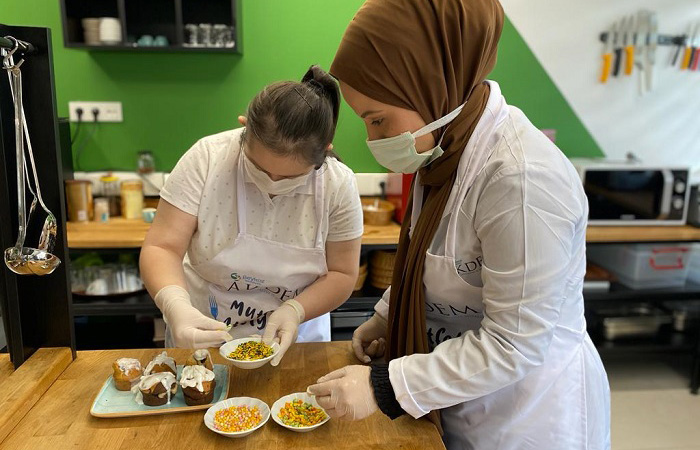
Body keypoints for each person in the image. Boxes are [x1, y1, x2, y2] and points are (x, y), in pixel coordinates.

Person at [306, 1, 611, 449]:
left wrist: (382, 386)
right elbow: (437, 258)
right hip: (464, 400)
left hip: (525, 416)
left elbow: (515, 345)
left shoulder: (522, 181)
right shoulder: (446, 153)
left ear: (430, 85)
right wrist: (388, 315)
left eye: (377, 119)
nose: (374, 140)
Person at [140, 66, 363, 366]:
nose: (272, 181)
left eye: (289, 178)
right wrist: (176, 306)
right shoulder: (207, 158)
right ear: (245, 127)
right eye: (259, 168)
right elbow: (162, 247)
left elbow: (343, 273)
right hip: (204, 335)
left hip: (297, 344)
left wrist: (295, 310)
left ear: (324, 152)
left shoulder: (338, 184)